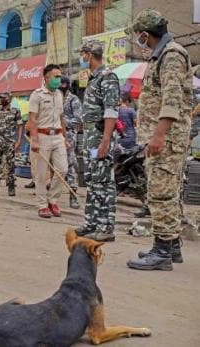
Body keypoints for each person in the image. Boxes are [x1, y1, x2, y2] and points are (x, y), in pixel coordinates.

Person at [127, 10, 192, 271]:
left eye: (139, 37)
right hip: (166, 138)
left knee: (161, 193)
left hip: (167, 140)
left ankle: (162, 251)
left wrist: (158, 135)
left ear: (145, 35)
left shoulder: (171, 55)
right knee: (169, 192)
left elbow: (172, 99)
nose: (139, 41)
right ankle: (172, 245)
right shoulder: (162, 55)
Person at [74, 41, 120, 241]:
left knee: (103, 181)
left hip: (101, 137)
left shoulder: (107, 77)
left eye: (83, 55)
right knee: (93, 180)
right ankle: (92, 222)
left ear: (89, 55)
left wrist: (105, 141)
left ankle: (105, 226)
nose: (82, 59)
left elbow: (111, 111)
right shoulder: (93, 79)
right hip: (91, 138)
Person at [28, 64, 68, 218]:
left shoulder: (59, 94)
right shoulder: (36, 95)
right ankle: (42, 205)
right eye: (56, 76)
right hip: (42, 136)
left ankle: (53, 200)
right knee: (41, 173)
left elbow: (61, 117)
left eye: (60, 76)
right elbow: (32, 120)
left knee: (62, 169)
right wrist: (35, 140)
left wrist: (64, 137)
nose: (59, 79)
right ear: (46, 78)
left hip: (58, 136)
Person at [60, 76, 83, 209]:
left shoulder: (73, 99)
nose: (61, 86)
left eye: (64, 83)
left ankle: (73, 195)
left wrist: (63, 123)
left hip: (68, 134)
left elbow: (78, 119)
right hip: (52, 134)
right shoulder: (54, 98)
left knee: (69, 164)